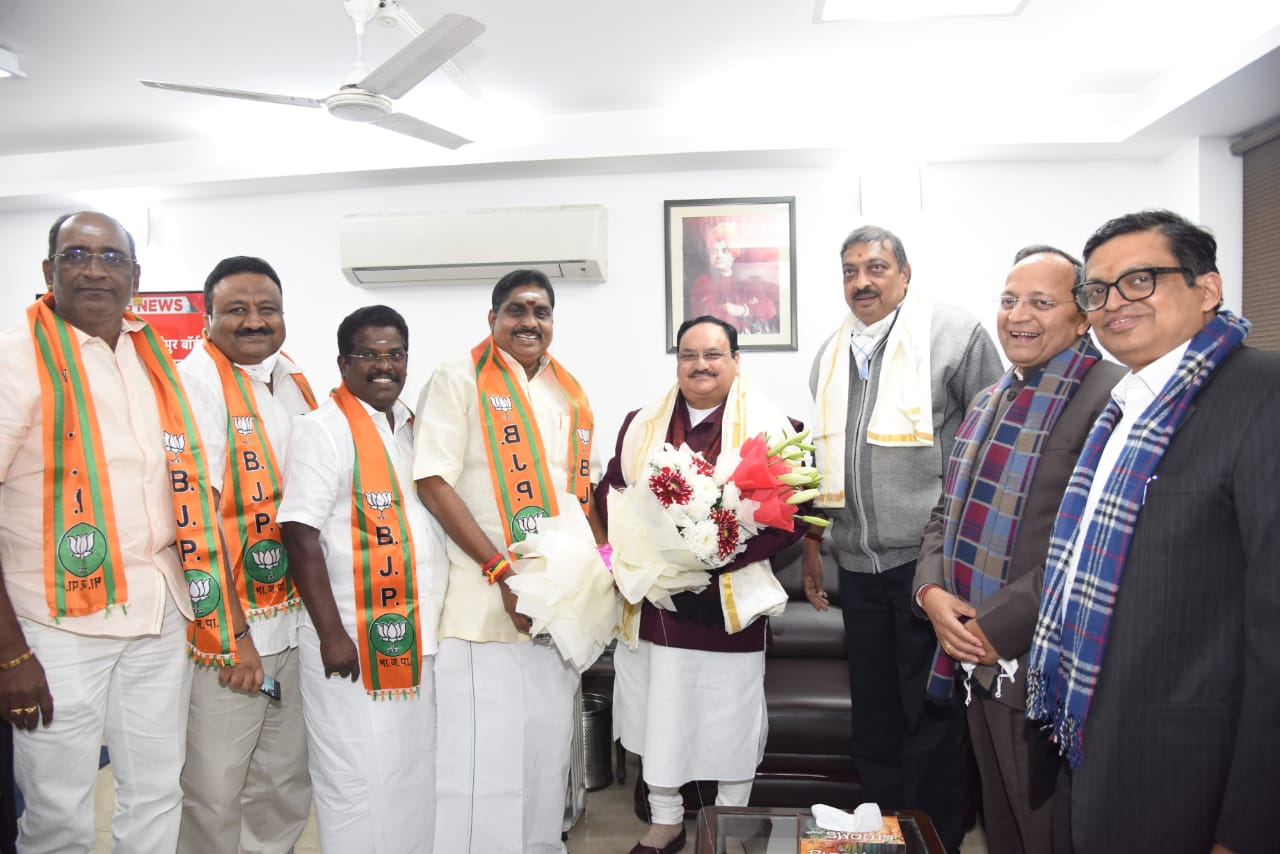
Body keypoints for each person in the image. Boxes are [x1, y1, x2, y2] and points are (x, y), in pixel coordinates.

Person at [1025, 210, 1280, 853]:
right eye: (1098, 290)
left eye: (1140, 280)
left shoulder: (1262, 395)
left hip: (1189, 771)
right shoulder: (1128, 407)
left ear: (1208, 289)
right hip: (1088, 738)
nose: (1114, 303)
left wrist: (1249, 826)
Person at [0, 211, 233, 852]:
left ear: (135, 275)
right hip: (55, 624)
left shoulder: (152, 357)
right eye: (77, 254)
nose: (95, 269)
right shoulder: (15, 362)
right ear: (49, 272)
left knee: (158, 791)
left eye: (112, 257)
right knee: (58, 810)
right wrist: (10, 654)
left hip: (158, 612)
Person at [912, 247, 1125, 854]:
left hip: (1042, 659)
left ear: (1083, 315)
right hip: (971, 655)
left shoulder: (1111, 396)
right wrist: (930, 593)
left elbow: (1094, 540)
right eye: (1009, 300)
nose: (1018, 315)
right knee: (1002, 819)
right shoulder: (988, 400)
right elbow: (943, 510)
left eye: (1040, 301)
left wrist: (992, 626)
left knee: (1048, 824)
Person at [803, 225, 1003, 852]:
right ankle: (883, 827)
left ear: (905, 274)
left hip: (927, 563)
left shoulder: (954, 334)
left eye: (877, 267)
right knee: (877, 710)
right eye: (850, 270)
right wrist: (816, 543)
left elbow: (990, 444)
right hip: (857, 562)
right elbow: (816, 460)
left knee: (931, 709)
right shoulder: (830, 355)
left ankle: (934, 832)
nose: (862, 281)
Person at [596, 315, 807, 854]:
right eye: (689, 355)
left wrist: (721, 557)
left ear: (737, 361)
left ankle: (729, 824)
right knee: (659, 712)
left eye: (714, 354)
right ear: (677, 364)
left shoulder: (775, 427)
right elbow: (610, 496)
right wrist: (623, 556)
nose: (700, 365)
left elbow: (793, 517)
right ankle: (665, 823)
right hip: (658, 603)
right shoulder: (639, 424)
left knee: (729, 718)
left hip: (726, 603)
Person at [414, 269, 602, 854]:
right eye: (516, 311)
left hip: (555, 612)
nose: (529, 322)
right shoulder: (457, 379)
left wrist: (602, 569)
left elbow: (582, 494)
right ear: (492, 318)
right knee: (482, 768)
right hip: (482, 608)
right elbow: (432, 481)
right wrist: (502, 573)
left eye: (541, 312)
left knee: (545, 759)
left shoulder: (566, 391)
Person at [278, 305, 446, 853]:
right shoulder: (323, 429)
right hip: (349, 641)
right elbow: (299, 535)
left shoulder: (409, 426)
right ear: (343, 362)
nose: (384, 366)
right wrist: (331, 633)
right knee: (354, 779)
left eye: (394, 354)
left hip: (410, 636)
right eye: (369, 355)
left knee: (409, 771)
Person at [177, 256, 316, 854]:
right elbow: (194, 519)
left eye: (268, 309)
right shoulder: (196, 384)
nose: (254, 322)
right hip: (231, 632)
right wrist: (231, 633)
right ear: (208, 318)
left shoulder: (292, 379)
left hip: (295, 622)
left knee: (284, 782)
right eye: (236, 309)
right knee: (214, 789)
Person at [688, 222, 780, 334]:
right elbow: (705, 317)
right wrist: (752, 307)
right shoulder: (702, 283)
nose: (718, 255)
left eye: (724, 251)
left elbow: (769, 309)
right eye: (714, 251)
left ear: (733, 254)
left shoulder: (747, 283)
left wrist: (741, 309)